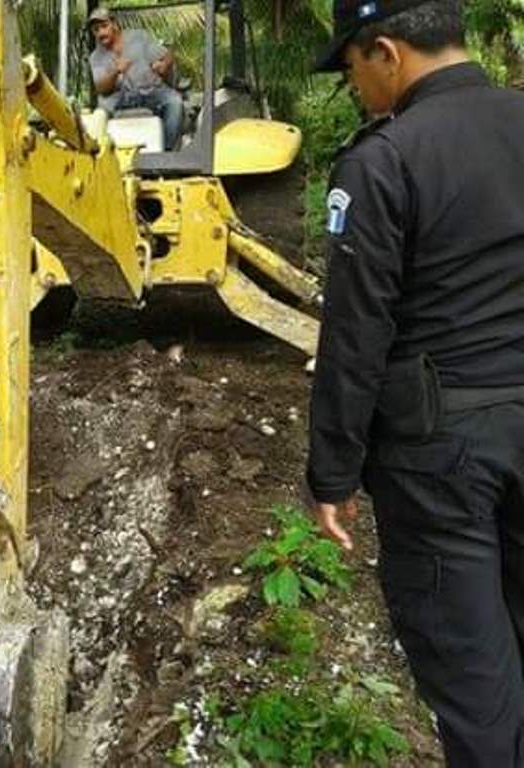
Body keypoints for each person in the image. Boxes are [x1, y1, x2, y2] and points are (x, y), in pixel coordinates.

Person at [305, 0, 524, 764]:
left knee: (474, 687)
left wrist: (332, 473)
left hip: (442, 460)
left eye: (352, 68)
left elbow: (357, 333)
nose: (355, 86)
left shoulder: (384, 161)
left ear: (388, 53)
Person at [88, 7, 185, 150]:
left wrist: (164, 65)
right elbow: (101, 88)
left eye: (104, 26)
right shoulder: (95, 57)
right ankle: (100, 153)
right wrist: (116, 71)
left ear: (114, 24)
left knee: (174, 101)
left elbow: (168, 55)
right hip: (119, 99)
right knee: (99, 114)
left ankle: (167, 154)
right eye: (96, 30)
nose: (101, 33)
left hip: (151, 91)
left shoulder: (138, 38)